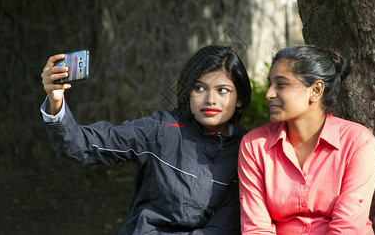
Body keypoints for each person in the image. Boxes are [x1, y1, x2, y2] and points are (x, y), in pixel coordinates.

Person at [40, 45, 251, 234]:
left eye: (222, 90)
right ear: (188, 93)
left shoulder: (249, 151)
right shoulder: (161, 129)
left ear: (239, 99)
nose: (210, 99)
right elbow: (81, 145)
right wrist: (56, 103)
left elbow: (223, 227)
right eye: (200, 88)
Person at [238, 45, 375, 234]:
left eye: (281, 84)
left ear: (316, 90)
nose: (269, 94)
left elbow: (347, 228)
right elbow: (256, 227)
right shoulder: (254, 145)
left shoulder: (357, 142)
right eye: (270, 84)